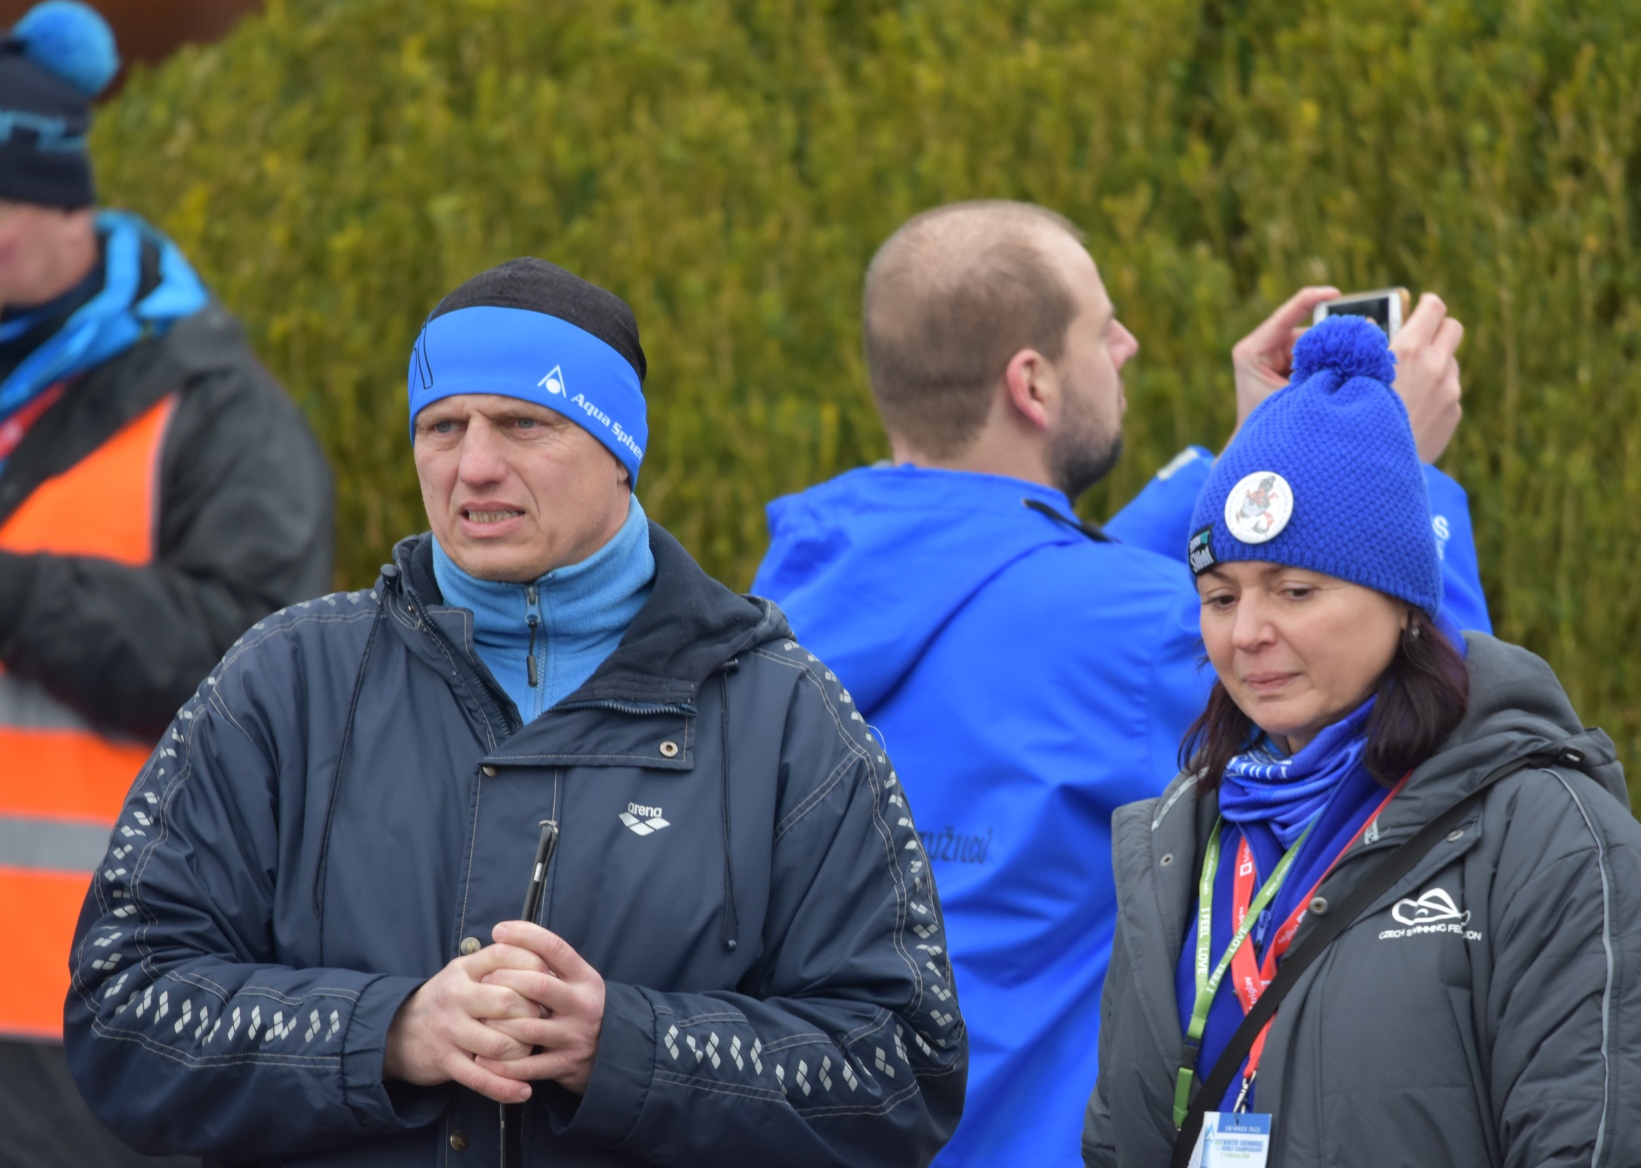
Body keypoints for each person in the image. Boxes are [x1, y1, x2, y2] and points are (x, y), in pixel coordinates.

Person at [63, 258, 966, 1166]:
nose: (475, 467)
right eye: (442, 427)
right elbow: (120, 1007)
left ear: (620, 449)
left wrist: (626, 1050)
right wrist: (387, 1033)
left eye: (524, 423)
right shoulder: (283, 682)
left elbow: (903, 1067)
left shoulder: (786, 717)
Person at [751, 199, 1490, 1167]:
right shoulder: (1133, 635)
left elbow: (1026, 577)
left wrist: (1254, 465)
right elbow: (1440, 736)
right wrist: (1392, 475)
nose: (1128, 345)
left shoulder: (783, 601)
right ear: (1032, 383)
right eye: (1102, 330)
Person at [1084, 316, 1641, 1167]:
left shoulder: (1553, 843)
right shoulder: (1177, 843)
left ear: (1405, 603)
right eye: (1220, 597)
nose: (1247, 632)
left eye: (1294, 590)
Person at [0, 0, 334, 1167]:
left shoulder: (214, 412)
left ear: (56, 204)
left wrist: (14, 594)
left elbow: (258, 668)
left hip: (99, 1018)